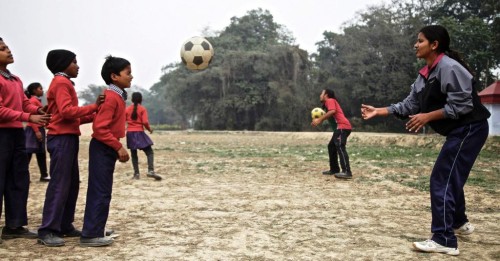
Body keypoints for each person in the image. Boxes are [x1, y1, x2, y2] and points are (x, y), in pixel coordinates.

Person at [361, 25, 490, 256]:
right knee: (450, 175)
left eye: (420, 41)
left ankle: (444, 239)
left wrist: (428, 116)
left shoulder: (449, 67)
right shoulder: (425, 74)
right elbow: (409, 105)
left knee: (441, 179)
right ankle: (459, 223)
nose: (415, 44)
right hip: (460, 131)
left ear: (434, 45)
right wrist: (379, 111)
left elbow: (462, 105)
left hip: (470, 128)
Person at [38, 49, 104, 247]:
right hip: (61, 138)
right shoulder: (61, 83)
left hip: (68, 136)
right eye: (74, 62)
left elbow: (70, 115)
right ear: (62, 64)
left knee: (72, 183)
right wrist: (93, 107)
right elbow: (67, 112)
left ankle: (65, 225)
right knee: (59, 184)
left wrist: (95, 113)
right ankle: (47, 230)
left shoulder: (64, 82)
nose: (78, 66)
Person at [0, 37, 50, 242]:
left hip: (16, 134)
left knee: (18, 179)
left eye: (8, 47)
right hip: (1, 134)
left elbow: (24, 104)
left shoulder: (15, 79)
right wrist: (28, 117)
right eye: (3, 49)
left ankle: (14, 225)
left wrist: (39, 110)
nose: (8, 51)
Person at [80, 55, 131, 247]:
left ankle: (96, 228)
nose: (131, 76)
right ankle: (90, 234)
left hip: (106, 147)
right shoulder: (111, 97)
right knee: (100, 191)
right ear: (114, 76)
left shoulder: (116, 95)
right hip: (103, 147)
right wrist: (118, 146)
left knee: (103, 191)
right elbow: (100, 129)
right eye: (128, 73)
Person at [311, 89, 353, 179]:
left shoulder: (330, 100)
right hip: (340, 128)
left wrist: (319, 119)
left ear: (326, 95)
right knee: (331, 146)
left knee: (340, 147)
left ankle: (347, 171)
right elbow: (329, 115)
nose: (320, 95)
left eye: (321, 93)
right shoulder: (328, 104)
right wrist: (317, 120)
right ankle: (334, 169)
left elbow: (332, 111)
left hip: (342, 127)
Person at [126, 92, 162, 180]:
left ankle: (136, 174)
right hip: (139, 132)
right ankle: (150, 170)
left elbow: (123, 120)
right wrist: (149, 129)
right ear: (141, 99)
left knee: (134, 154)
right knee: (149, 152)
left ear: (132, 99)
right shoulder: (142, 109)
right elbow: (145, 122)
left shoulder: (127, 109)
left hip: (130, 133)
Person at [24, 82, 50, 182]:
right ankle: (23, 175)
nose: (42, 90)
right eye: (40, 88)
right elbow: (32, 118)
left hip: (39, 129)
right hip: (33, 130)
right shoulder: (32, 101)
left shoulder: (36, 100)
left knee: (40, 153)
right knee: (28, 153)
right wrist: (37, 131)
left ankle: (44, 175)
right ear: (34, 90)